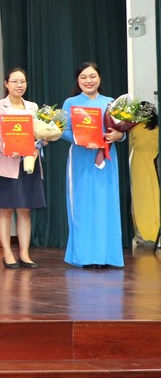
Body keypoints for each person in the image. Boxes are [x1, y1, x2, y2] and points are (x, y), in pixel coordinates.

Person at [61, 62, 125, 268]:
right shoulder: (70, 102)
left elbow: (121, 130)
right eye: (83, 77)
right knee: (82, 206)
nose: (88, 81)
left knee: (105, 205)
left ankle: (107, 257)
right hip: (80, 160)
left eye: (92, 76)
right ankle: (85, 257)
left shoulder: (111, 103)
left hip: (106, 160)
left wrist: (119, 135)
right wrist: (79, 140)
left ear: (100, 79)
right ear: (77, 81)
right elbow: (61, 129)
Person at [0, 68, 46, 268]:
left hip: (28, 164)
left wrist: (42, 141)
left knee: (25, 210)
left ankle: (25, 254)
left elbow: (40, 135)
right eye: (15, 81)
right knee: (6, 209)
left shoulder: (33, 107)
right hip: (4, 164)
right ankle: (8, 253)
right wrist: (6, 148)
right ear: (6, 84)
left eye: (23, 81)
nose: (19, 85)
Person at [128, 101, 159, 247]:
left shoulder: (134, 128)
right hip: (156, 164)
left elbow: (128, 148)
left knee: (141, 198)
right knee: (155, 197)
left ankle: (142, 233)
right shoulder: (158, 129)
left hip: (139, 165)